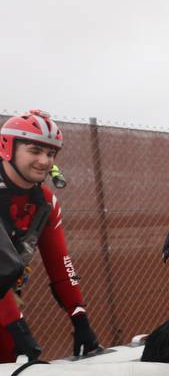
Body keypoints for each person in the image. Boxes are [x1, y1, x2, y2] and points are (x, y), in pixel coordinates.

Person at [0, 110, 101, 362]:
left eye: (51, 153)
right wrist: (18, 329)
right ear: (7, 148)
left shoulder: (44, 201)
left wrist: (80, 318)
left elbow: (60, 263)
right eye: (35, 151)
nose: (45, 161)